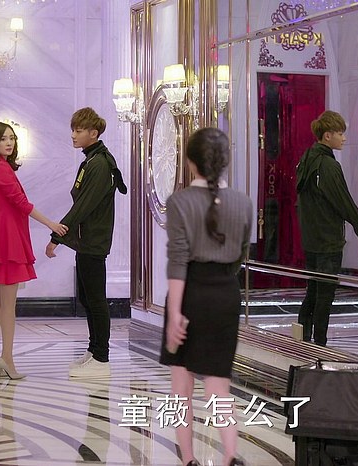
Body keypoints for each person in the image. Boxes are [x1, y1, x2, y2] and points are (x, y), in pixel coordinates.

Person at [160, 128, 253, 466]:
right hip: (226, 294)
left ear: (190, 162)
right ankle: (230, 455)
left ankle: (188, 460)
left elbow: (178, 260)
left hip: (191, 294)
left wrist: (175, 314)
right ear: (224, 162)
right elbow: (241, 255)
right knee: (219, 386)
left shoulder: (180, 202)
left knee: (181, 389)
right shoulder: (243, 202)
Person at [0, 122, 68, 380]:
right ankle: (7, 358)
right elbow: (21, 203)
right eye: (4, 138)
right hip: (7, 241)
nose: (9, 142)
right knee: (7, 304)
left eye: (12, 138)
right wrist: (51, 224)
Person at [45, 107, 127, 377]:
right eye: (73, 129)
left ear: (94, 133)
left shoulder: (100, 164)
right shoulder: (92, 160)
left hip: (93, 241)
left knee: (96, 299)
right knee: (87, 298)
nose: (73, 135)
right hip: (86, 241)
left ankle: (102, 358)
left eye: (78, 130)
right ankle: (94, 351)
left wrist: (57, 236)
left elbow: (83, 206)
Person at [295, 110, 358, 346]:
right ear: (327, 136)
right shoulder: (328, 165)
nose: (344, 138)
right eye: (340, 133)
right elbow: (344, 204)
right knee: (324, 294)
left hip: (311, 238)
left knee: (313, 290)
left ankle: (303, 340)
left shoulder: (307, 159)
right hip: (327, 240)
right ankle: (319, 345)